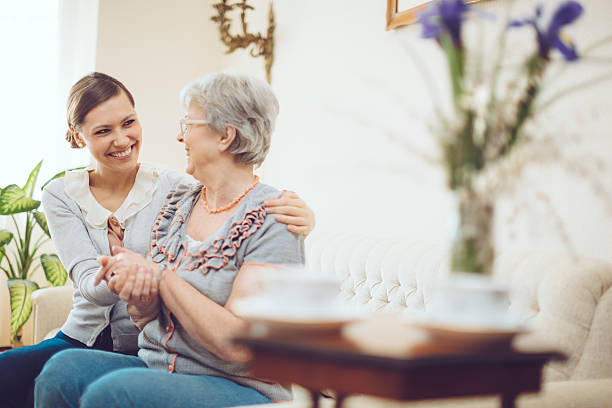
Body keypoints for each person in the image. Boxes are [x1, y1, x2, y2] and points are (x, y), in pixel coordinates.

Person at [0, 72, 314, 408]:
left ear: (225, 135)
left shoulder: (270, 216)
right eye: (103, 130)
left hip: (234, 381)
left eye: (188, 124)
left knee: (114, 392)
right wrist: (141, 291)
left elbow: (239, 347)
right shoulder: (181, 203)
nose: (180, 137)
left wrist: (160, 276)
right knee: (62, 370)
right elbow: (148, 318)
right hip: (158, 363)